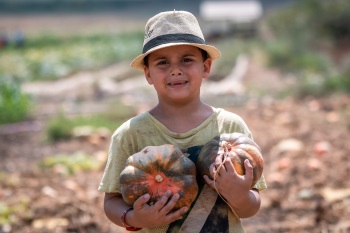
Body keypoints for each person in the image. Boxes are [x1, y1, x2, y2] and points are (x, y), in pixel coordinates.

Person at [98, 10, 267, 233]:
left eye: (187, 60)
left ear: (205, 67)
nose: (175, 70)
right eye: (162, 63)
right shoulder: (131, 134)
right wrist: (134, 217)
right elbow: (111, 202)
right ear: (148, 74)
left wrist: (241, 196)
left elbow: (251, 206)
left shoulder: (231, 127)